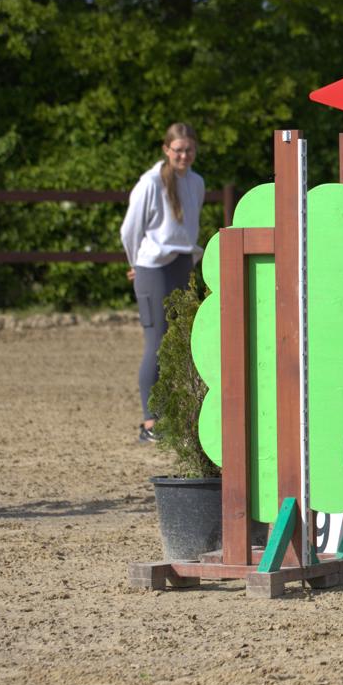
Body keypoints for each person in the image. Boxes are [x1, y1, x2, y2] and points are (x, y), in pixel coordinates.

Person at [120, 123, 204, 444]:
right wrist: (135, 263)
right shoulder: (150, 182)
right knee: (156, 343)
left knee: (177, 344)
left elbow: (189, 229)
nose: (184, 155)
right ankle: (150, 421)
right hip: (153, 267)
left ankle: (171, 414)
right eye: (178, 150)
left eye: (189, 149)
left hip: (183, 264)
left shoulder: (196, 182)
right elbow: (130, 229)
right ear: (166, 150)